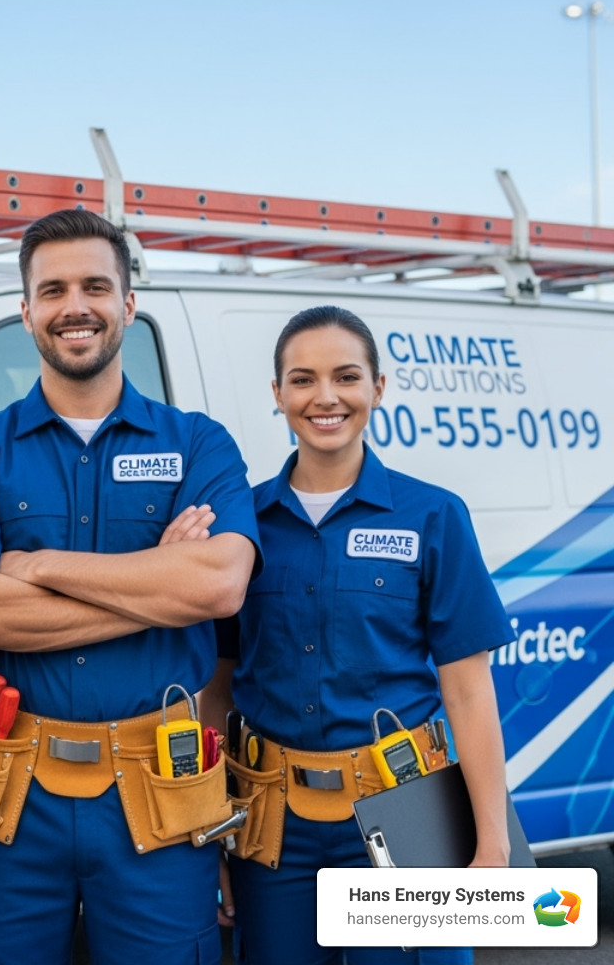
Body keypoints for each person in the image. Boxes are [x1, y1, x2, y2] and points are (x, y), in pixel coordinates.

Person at [0, 208, 261, 965]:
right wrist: (151, 588)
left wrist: (35, 566)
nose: (77, 306)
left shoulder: (198, 443)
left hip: (158, 788)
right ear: (27, 311)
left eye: (97, 286)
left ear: (129, 306)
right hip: (7, 789)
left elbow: (217, 587)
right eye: (55, 289)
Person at [215, 306, 513, 965]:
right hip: (275, 823)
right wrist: (214, 829)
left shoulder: (433, 515)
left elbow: (467, 692)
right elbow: (218, 690)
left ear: (379, 388)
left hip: (409, 808)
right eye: (303, 380)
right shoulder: (243, 527)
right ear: (278, 395)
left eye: (347, 377)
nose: (325, 398)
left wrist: (491, 843)